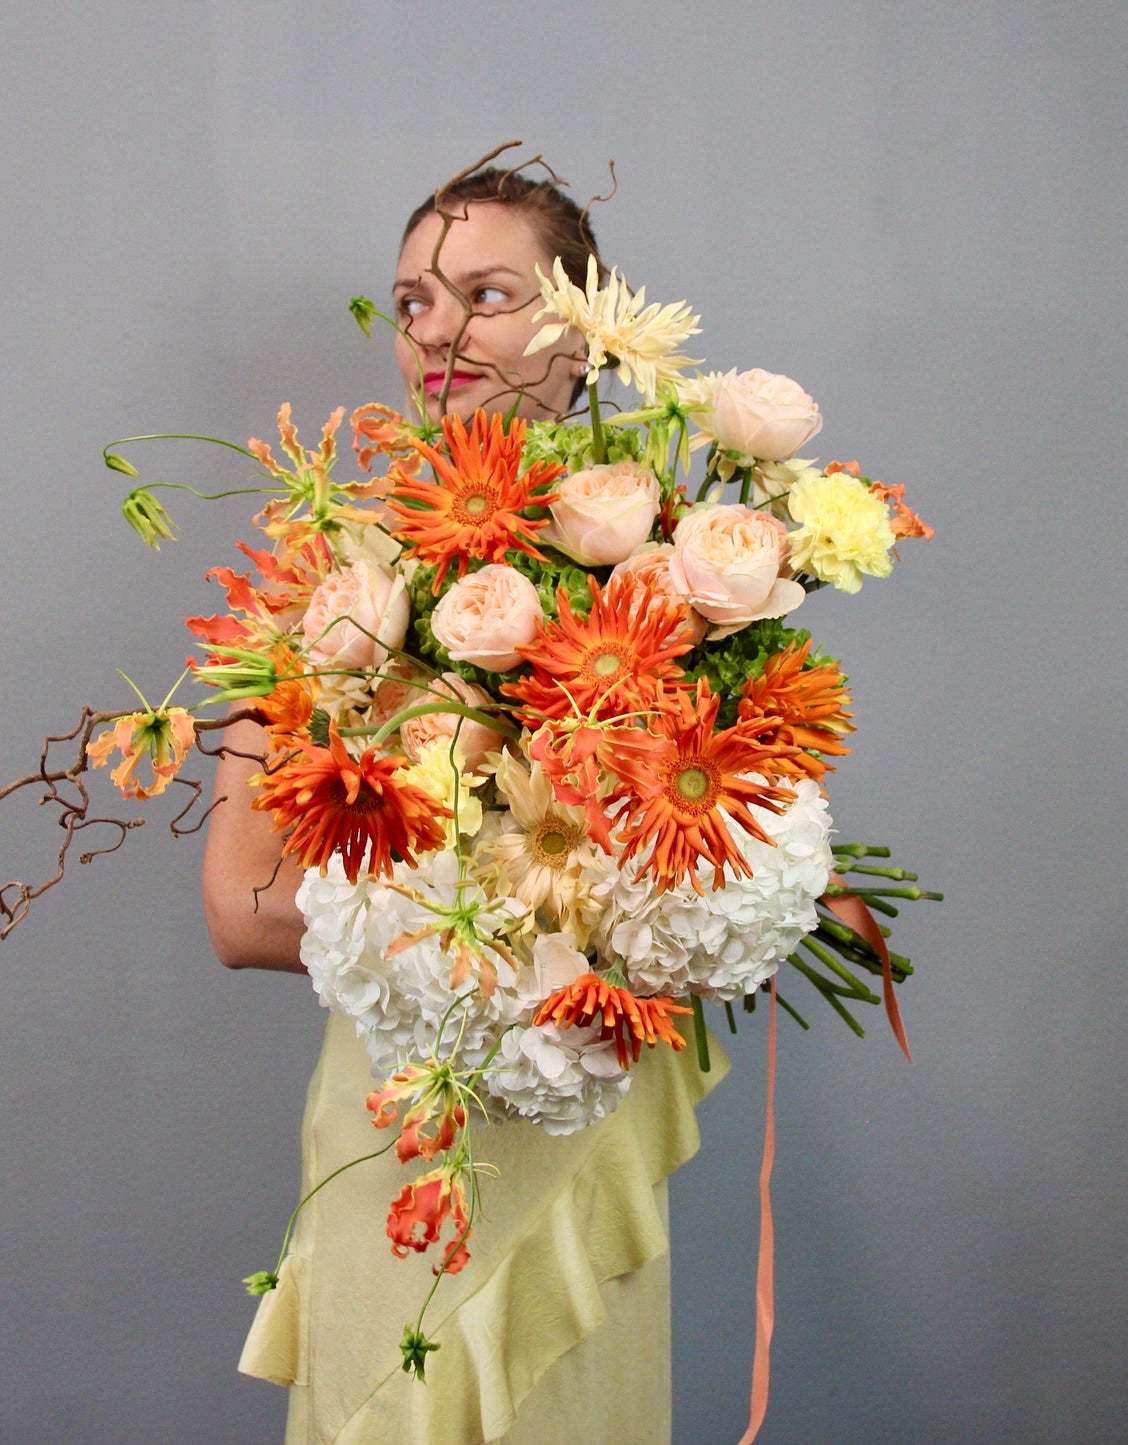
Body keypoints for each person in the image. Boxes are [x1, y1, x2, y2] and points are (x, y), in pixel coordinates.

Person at [203, 168, 724, 1445]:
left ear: (578, 322)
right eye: (410, 300)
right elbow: (240, 902)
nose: (435, 329)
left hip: (581, 1115)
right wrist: (472, 961)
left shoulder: (688, 561)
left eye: (483, 294)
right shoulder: (314, 567)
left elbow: (705, 861)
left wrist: (689, 920)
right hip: (405, 1122)